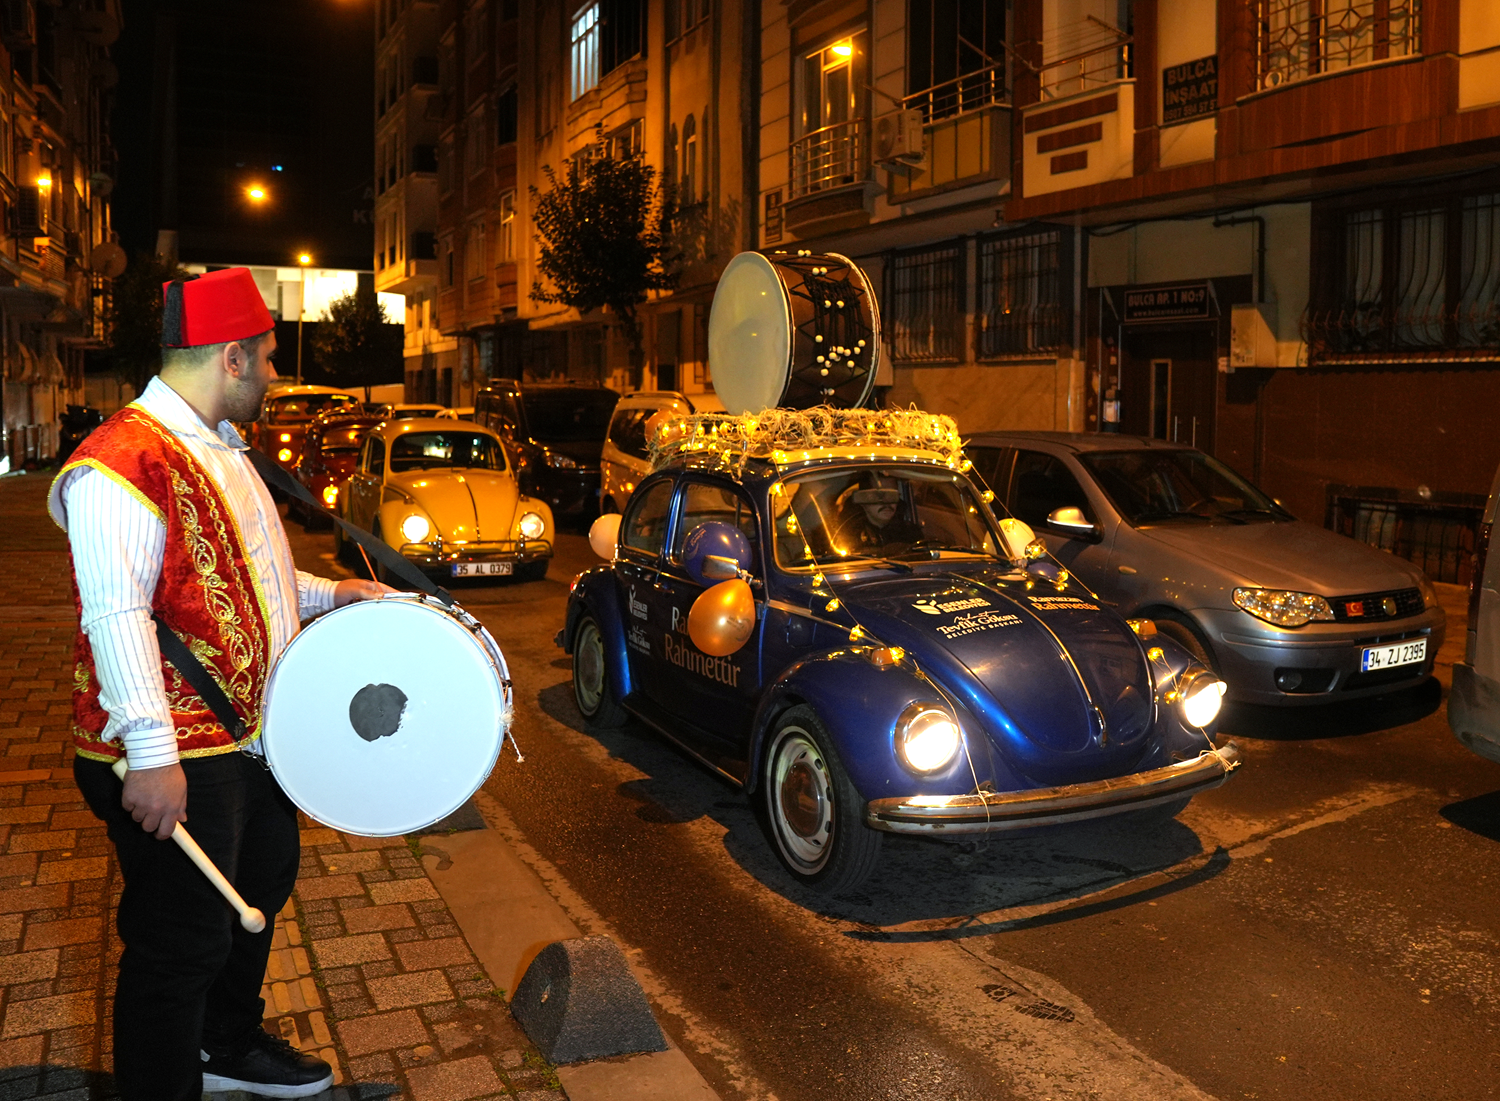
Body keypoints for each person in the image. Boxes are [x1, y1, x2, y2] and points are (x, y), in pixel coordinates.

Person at [48, 268, 390, 1101]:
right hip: (168, 746)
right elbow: (116, 617)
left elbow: (253, 579)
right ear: (231, 357)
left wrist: (333, 594)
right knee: (182, 941)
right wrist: (155, 756)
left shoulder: (220, 447)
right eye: (268, 358)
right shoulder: (119, 464)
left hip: (245, 734)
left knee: (262, 884)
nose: (275, 374)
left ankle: (225, 1043)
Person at [834, 472, 922, 554]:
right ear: (863, 499)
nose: (887, 502)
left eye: (892, 495)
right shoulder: (844, 537)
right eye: (879, 496)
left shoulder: (911, 534)